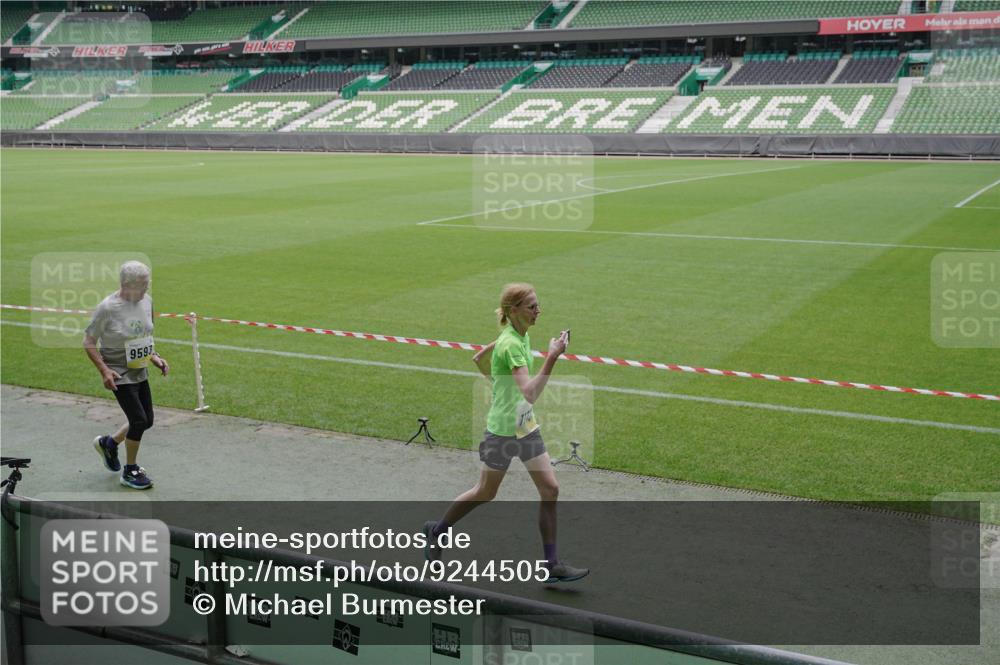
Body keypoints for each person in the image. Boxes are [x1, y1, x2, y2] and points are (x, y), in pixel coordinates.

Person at [424, 283, 589, 583]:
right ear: (514, 311)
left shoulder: (518, 336)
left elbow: (482, 357)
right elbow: (528, 392)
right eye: (532, 306)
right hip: (502, 431)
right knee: (485, 492)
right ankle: (436, 531)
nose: (538, 311)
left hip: (525, 426)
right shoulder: (512, 343)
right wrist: (553, 356)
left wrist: (498, 378)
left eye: (538, 305)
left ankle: (550, 565)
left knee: (550, 489)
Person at [83, 261, 168, 489]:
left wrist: (154, 357)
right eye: (142, 285)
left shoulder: (147, 301)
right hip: (118, 372)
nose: (146, 290)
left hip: (139, 368)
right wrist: (104, 370)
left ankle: (109, 443)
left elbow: (145, 334)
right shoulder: (108, 308)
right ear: (126, 285)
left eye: (147, 284)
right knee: (138, 420)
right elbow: (89, 342)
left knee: (146, 420)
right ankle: (130, 471)